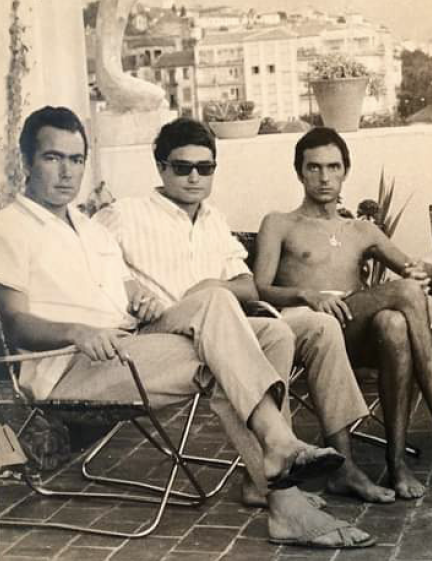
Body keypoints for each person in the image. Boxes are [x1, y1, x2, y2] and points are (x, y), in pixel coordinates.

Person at [0, 107, 374, 549]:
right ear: (25, 161)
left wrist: (136, 295)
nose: (68, 172)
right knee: (220, 338)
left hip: (132, 343)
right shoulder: (12, 226)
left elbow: (123, 286)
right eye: (53, 158)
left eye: (76, 159)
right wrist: (77, 332)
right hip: (71, 365)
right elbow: (17, 323)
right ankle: (281, 470)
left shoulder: (87, 226)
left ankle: (274, 472)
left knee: (269, 332)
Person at [91, 118, 395, 504]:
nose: (194, 177)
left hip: (222, 327)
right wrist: (130, 289)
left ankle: (340, 464)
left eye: (205, 168)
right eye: (183, 168)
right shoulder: (125, 213)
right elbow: (90, 258)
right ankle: (274, 468)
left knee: (317, 326)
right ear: (161, 167)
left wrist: (215, 287)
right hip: (162, 333)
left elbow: (246, 285)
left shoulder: (214, 221)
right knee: (221, 306)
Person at [252, 127, 432, 499]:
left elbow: (413, 271)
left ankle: (397, 466)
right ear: (299, 172)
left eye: (333, 167)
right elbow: (259, 288)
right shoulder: (280, 223)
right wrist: (306, 295)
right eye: (314, 168)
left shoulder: (362, 230)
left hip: (355, 333)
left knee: (393, 324)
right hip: (309, 332)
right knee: (402, 298)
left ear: (345, 171)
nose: (325, 178)